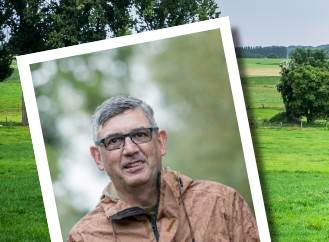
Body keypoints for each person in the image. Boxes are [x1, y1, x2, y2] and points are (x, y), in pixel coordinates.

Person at [68, 96, 260, 242]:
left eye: (140, 134)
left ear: (160, 143)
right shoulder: (85, 237)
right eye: (114, 141)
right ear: (98, 157)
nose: (130, 149)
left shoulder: (222, 203)